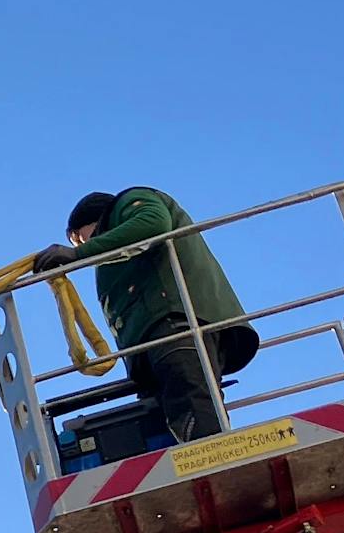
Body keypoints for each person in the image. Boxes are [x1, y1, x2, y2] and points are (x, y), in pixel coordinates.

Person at [34, 188, 258, 444]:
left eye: (79, 238)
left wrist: (79, 253)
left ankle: (215, 457)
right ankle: (197, 456)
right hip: (152, 345)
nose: (82, 245)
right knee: (167, 414)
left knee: (190, 398)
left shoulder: (130, 202)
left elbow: (154, 222)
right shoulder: (112, 260)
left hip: (174, 323)